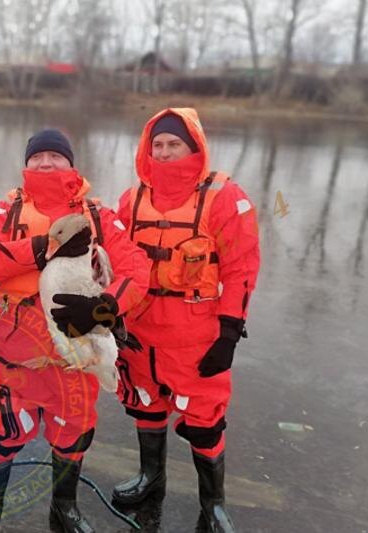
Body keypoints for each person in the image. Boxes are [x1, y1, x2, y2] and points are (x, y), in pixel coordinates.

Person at [0, 129, 149, 533]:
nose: (46, 163)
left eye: (55, 155)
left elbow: (137, 269)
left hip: (78, 354)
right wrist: (44, 247)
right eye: (38, 156)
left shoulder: (99, 215)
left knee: (74, 433)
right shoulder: (6, 209)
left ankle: (63, 509)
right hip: (14, 354)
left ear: (71, 163)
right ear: (26, 164)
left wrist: (103, 308)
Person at [113, 109, 260, 533]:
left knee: (204, 419)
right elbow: (117, 264)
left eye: (174, 144)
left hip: (196, 334)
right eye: (157, 144)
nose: (164, 152)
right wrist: (110, 316)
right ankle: (150, 477)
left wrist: (229, 332)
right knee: (144, 402)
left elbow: (241, 268)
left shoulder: (224, 198)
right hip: (140, 330)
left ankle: (213, 503)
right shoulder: (132, 199)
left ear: (194, 147)